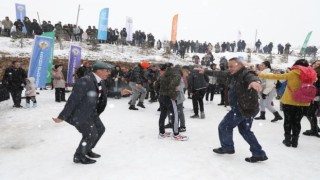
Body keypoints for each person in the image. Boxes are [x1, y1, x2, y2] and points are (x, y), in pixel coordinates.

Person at [52, 61, 131, 164]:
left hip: (91, 112)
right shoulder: (85, 81)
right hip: (80, 113)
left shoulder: (100, 81)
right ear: (98, 71)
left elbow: (104, 93)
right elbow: (73, 100)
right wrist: (62, 116)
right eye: (107, 71)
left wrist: (120, 92)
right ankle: (79, 156)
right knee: (90, 134)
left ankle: (87, 149)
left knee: (100, 129)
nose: (109, 73)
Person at [212, 57, 268, 163]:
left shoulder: (245, 74)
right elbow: (221, 74)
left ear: (240, 65)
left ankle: (227, 147)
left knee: (224, 126)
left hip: (241, 108)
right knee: (245, 131)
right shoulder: (233, 74)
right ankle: (259, 153)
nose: (229, 68)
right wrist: (205, 71)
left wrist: (255, 82)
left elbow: (251, 77)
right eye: (228, 66)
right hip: (249, 108)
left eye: (232, 66)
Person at [257, 59, 317, 148]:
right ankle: (295, 141)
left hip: (290, 101)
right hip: (304, 103)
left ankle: (287, 140)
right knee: (297, 122)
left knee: (288, 121)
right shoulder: (311, 74)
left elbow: (277, 77)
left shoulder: (293, 73)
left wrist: (260, 74)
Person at [156, 63, 189, 141]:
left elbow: (156, 85)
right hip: (169, 97)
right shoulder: (176, 75)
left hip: (161, 97)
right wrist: (172, 97)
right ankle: (176, 134)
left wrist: (161, 93)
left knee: (163, 114)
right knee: (175, 115)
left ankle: (161, 133)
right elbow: (172, 86)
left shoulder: (163, 75)